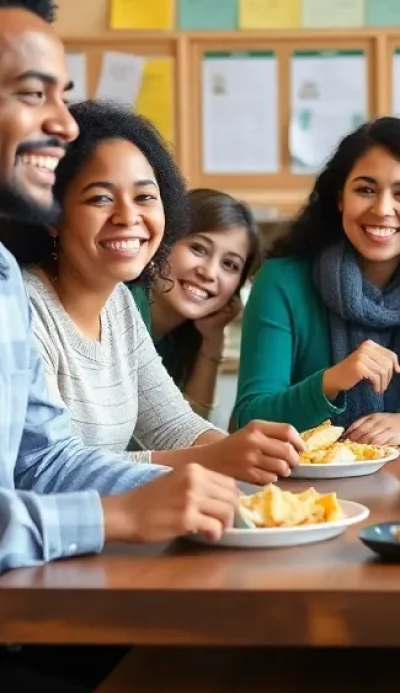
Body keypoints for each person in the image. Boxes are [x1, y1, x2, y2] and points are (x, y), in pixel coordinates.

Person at [0, 0, 237, 693]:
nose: (60, 123)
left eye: (62, 96)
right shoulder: (24, 297)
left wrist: (219, 474)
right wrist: (124, 512)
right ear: (59, 213)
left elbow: (46, 459)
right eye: (35, 94)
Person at [1, 100, 301, 485]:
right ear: (52, 216)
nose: (129, 217)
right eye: (101, 198)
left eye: (144, 197)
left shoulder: (118, 303)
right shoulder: (21, 308)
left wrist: (248, 453)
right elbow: (48, 467)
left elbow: (174, 424)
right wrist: (214, 458)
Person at [234, 117, 400, 446]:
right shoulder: (282, 281)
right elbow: (249, 419)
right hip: (301, 488)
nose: (382, 209)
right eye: (365, 190)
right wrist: (334, 380)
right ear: (340, 198)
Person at [131, 188, 261, 419]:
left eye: (230, 265)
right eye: (198, 249)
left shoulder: (184, 338)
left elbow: (188, 433)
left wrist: (213, 339)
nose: (209, 273)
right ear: (163, 241)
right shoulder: (118, 308)